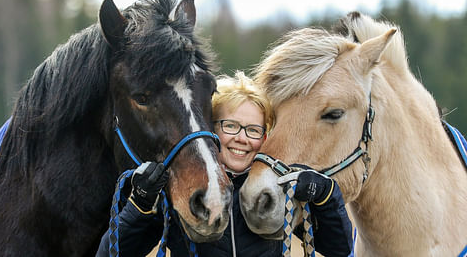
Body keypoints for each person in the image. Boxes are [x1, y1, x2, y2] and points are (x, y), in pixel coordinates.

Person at [96, 71, 353, 257]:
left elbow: (340, 249)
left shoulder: (276, 192)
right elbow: (112, 253)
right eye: (230, 126)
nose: (241, 138)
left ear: (264, 137)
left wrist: (325, 197)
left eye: (253, 130)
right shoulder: (180, 191)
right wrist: (139, 205)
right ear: (210, 129)